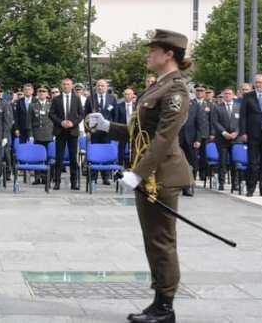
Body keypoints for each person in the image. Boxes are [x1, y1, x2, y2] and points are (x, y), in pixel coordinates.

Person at [87, 29, 193, 323]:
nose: (149, 54)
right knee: (153, 239)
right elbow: (140, 132)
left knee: (161, 240)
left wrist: (138, 172)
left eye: (153, 50)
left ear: (168, 53)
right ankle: (158, 301)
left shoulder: (176, 89)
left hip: (161, 176)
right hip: (150, 175)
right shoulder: (157, 87)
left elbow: (163, 138)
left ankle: (165, 307)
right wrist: (108, 126)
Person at [49, 78, 84, 190]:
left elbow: (81, 114)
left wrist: (72, 123)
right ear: (61, 86)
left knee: (73, 158)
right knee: (59, 158)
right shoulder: (56, 99)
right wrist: (61, 122)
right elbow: (51, 114)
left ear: (72, 86)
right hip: (60, 131)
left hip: (73, 131)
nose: (66, 86)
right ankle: (57, 182)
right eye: (64, 84)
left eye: (68, 84)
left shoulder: (76, 99)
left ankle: (74, 182)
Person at [178, 86, 206, 197]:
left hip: (191, 140)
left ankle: (188, 186)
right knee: (177, 163)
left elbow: (200, 124)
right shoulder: (176, 105)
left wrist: (198, 139)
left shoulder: (196, 106)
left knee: (191, 164)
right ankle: (177, 185)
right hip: (177, 139)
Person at [211, 88, 240, 191]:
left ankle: (235, 183)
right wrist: (224, 133)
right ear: (223, 96)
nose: (227, 95)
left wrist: (236, 133)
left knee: (235, 162)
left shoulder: (238, 107)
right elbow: (215, 122)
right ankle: (221, 183)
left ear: (233, 95)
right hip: (222, 139)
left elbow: (241, 122)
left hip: (235, 139)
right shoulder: (217, 107)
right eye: (225, 94)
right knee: (222, 162)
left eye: (229, 94)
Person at [89, 79, 115, 186]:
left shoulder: (111, 99)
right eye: (98, 86)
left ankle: (106, 177)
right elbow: (86, 115)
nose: (100, 88)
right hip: (94, 131)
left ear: (106, 87)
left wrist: (114, 129)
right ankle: (93, 177)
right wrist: (88, 130)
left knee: (106, 154)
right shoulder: (91, 99)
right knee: (94, 153)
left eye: (102, 86)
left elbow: (115, 115)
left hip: (107, 131)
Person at [114, 88, 137, 167]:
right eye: (126, 94)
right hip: (122, 131)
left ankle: (131, 166)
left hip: (134, 131)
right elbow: (116, 119)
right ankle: (120, 167)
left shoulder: (136, 106)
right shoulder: (119, 106)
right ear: (123, 95)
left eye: (129, 94)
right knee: (121, 150)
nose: (127, 96)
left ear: (133, 95)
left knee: (133, 150)